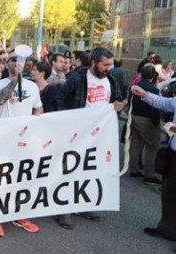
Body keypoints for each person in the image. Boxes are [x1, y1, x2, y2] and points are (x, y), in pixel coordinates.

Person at [55, 46, 125, 229]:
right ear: (94, 62)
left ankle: (85, 205)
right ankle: (65, 211)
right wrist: (68, 121)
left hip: (100, 136)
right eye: (105, 64)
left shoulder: (111, 80)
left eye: (110, 64)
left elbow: (117, 100)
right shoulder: (78, 77)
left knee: (92, 171)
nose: (108, 68)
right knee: (72, 171)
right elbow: (60, 99)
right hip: (77, 134)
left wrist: (119, 105)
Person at [0, 52, 43, 237]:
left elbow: (38, 107)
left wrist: (37, 122)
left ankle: (19, 214)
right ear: (7, 63)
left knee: (22, 179)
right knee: (1, 179)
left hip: (25, 140)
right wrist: (16, 79)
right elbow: (0, 100)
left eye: (21, 60)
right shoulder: (0, 84)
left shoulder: (32, 86)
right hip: (3, 139)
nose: (18, 62)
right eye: (13, 59)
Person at [131, 84, 176, 243]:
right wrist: (145, 94)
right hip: (173, 151)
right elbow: (166, 103)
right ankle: (168, 229)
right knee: (169, 192)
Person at [128, 65, 161, 184]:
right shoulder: (153, 89)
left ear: (141, 75)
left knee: (136, 143)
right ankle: (150, 174)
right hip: (147, 119)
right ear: (153, 76)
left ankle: (134, 169)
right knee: (153, 146)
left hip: (134, 116)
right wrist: (156, 122)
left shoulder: (135, 86)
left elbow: (129, 102)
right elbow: (155, 106)